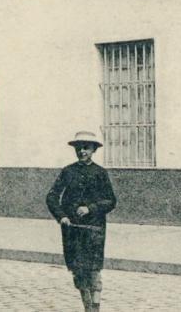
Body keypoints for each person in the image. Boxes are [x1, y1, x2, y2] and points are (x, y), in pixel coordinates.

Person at [46, 131, 118, 312]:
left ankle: (95, 308)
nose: (82, 151)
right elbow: (52, 196)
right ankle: (87, 307)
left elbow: (111, 201)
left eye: (86, 148)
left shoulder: (100, 173)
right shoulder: (67, 171)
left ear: (93, 149)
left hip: (94, 230)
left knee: (93, 271)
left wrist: (90, 208)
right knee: (78, 271)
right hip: (72, 230)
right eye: (79, 148)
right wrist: (61, 216)